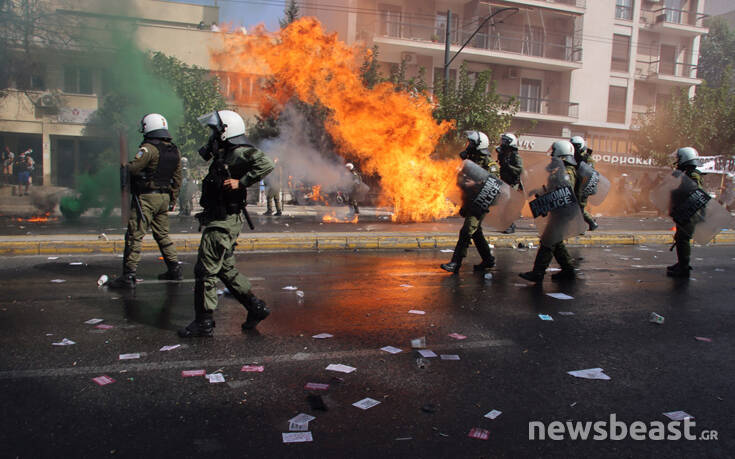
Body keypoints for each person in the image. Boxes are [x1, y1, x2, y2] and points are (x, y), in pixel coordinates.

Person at [178, 110, 274, 337]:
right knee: (225, 269)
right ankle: (255, 307)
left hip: (224, 222)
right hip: (219, 218)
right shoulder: (225, 154)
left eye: (214, 130)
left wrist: (241, 182)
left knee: (205, 270)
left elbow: (266, 163)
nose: (211, 134)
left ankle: (204, 322)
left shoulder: (239, 153)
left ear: (226, 131)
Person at [109, 113, 183, 288]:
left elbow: (134, 168)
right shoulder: (174, 151)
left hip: (147, 198)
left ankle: (128, 275)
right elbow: (177, 178)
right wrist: (173, 198)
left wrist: (125, 167)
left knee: (135, 235)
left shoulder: (149, 149)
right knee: (163, 235)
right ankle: (174, 269)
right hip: (164, 197)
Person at [519, 140, 581, 283]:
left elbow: (565, 192)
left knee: (548, 241)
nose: (552, 154)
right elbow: (553, 188)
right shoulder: (560, 170)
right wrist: (538, 191)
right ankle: (568, 270)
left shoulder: (567, 172)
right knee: (556, 242)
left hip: (562, 213)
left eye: (554, 152)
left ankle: (538, 273)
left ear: (560, 152)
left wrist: (548, 197)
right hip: (558, 211)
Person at [440, 131, 500, 274]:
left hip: (481, 203)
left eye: (471, 143)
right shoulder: (470, 159)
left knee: (466, 231)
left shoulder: (489, 164)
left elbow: (494, 185)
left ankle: (456, 263)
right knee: (476, 233)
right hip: (470, 201)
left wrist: (476, 184)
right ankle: (488, 260)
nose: (469, 145)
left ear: (479, 145)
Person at [667, 147, 705, 278]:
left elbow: (695, 194)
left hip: (690, 213)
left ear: (684, 158)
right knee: (680, 238)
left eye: (678, 158)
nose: (677, 161)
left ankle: (683, 267)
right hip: (685, 211)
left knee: (683, 239)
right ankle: (681, 263)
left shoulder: (693, 175)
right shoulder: (686, 173)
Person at [495, 132, 523, 234]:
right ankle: (505, 224)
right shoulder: (504, 154)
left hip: (512, 184)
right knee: (502, 205)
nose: (502, 143)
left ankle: (510, 225)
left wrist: (508, 166)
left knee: (508, 206)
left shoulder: (515, 156)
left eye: (505, 141)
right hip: (504, 182)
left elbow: (519, 170)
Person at [570, 136, 598, 230]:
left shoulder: (587, 159)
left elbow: (589, 172)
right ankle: (591, 223)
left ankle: (583, 226)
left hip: (583, 186)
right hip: (574, 184)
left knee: (579, 207)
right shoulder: (572, 157)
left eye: (575, 146)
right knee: (575, 206)